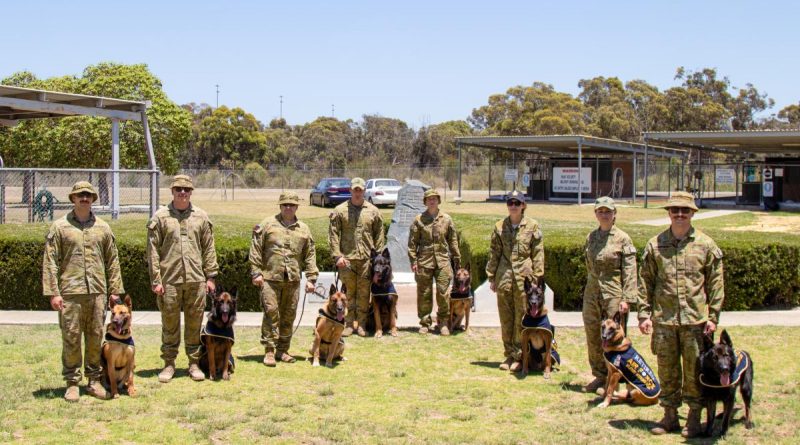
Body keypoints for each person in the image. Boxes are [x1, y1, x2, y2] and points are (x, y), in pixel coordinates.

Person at [638, 191, 725, 438]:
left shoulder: (705, 245)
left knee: (695, 371)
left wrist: (713, 316)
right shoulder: (655, 245)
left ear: (692, 213)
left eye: (684, 210)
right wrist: (644, 315)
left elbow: (716, 283)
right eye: (674, 210)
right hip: (664, 320)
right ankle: (669, 416)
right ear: (668, 213)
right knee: (667, 370)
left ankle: (694, 419)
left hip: (695, 321)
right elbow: (645, 282)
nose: (679, 214)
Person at [42, 181, 125, 401]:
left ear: (93, 199)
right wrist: (54, 293)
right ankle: (72, 383)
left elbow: (113, 260)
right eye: (80, 195)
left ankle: (94, 381)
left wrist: (115, 290)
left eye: (88, 195)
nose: (84, 198)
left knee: (95, 337)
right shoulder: (60, 228)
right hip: (70, 293)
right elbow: (50, 261)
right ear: (73, 198)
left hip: (97, 292)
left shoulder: (103, 228)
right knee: (71, 338)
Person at [147, 174, 218, 383]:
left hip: (196, 279)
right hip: (169, 279)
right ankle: (169, 364)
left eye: (187, 190)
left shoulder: (201, 217)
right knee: (169, 324)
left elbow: (209, 248)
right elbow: (152, 252)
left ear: (191, 192)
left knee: (194, 323)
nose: (183, 193)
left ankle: (194, 364)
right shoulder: (160, 217)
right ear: (172, 191)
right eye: (179, 189)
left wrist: (211, 276)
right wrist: (156, 280)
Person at [250, 191, 318, 366]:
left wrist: (311, 278)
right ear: (280, 206)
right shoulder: (267, 225)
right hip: (270, 278)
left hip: (293, 280)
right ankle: (270, 351)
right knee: (271, 313)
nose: (288, 208)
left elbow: (310, 255)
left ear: (297, 207)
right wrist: (256, 272)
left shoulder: (303, 229)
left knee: (289, 315)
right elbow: (256, 249)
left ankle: (283, 350)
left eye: (292, 205)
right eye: (285, 204)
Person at [581, 196, 639, 394]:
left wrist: (627, 298)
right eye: (600, 211)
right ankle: (600, 375)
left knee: (615, 338)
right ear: (596, 214)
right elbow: (588, 263)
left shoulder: (623, 238)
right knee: (593, 333)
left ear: (615, 214)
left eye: (608, 211)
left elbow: (630, 269)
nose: (604, 215)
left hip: (614, 293)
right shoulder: (591, 237)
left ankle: (617, 377)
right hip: (592, 292)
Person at [486, 190, 544, 371]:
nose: (513, 206)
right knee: (506, 318)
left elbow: (538, 253)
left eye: (516, 203)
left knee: (521, 317)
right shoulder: (499, 226)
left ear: (523, 205)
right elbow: (494, 252)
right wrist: (491, 276)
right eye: (510, 203)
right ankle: (509, 354)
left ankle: (520, 355)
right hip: (504, 277)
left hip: (524, 279)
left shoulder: (533, 226)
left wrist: (537, 278)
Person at [328, 177, 385, 337]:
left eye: (360, 189)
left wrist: (377, 260)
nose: (358, 192)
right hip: (347, 261)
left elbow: (379, 234)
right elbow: (333, 235)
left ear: (364, 191)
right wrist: (337, 256)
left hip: (367, 260)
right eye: (355, 189)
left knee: (364, 294)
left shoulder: (373, 211)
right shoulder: (340, 211)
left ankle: (361, 325)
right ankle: (348, 324)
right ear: (350, 190)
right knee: (348, 294)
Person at [408, 189, 461, 335]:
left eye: (434, 199)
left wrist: (457, 259)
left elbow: (453, 240)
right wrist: (413, 261)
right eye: (429, 199)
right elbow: (412, 243)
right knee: (424, 293)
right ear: (425, 202)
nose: (432, 201)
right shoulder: (419, 220)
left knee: (443, 293)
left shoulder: (447, 219)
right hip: (424, 262)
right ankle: (425, 322)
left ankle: (443, 322)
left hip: (443, 261)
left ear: (438, 200)